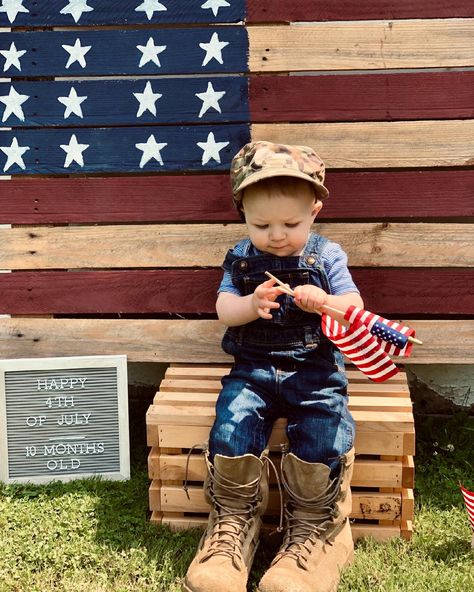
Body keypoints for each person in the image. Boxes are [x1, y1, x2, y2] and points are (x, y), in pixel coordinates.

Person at [184, 141, 364, 592]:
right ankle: (233, 524)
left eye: (291, 223)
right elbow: (225, 308)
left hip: (314, 370)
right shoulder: (242, 258)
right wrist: (250, 303)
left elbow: (354, 307)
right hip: (255, 369)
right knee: (232, 420)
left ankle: (315, 529)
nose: (277, 235)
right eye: (261, 224)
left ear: (316, 212)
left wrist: (326, 302)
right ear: (242, 211)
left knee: (323, 425)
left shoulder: (327, 256)